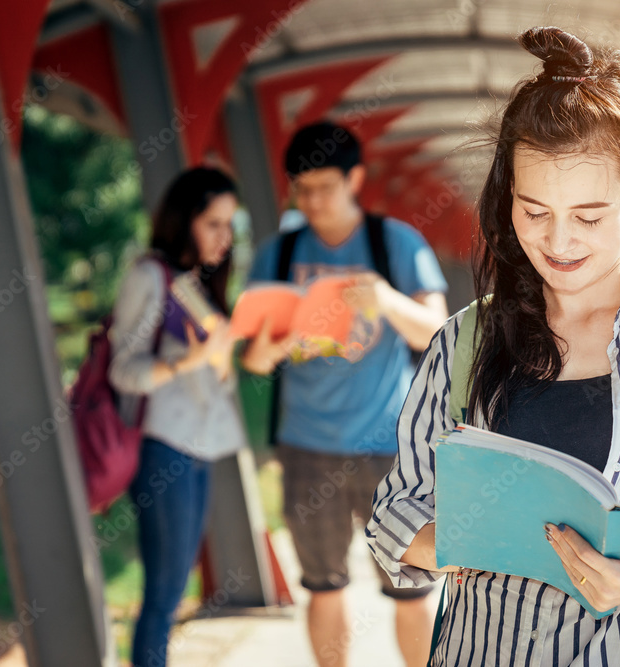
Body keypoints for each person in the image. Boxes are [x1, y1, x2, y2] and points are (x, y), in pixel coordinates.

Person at [366, 27, 620, 666]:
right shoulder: (463, 342)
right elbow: (394, 512)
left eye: (588, 217)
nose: (559, 242)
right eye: (534, 212)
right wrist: (463, 543)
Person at [240, 121, 450, 667]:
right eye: (301, 189)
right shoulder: (279, 253)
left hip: (392, 448)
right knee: (324, 585)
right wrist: (274, 343)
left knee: (413, 588)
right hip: (307, 446)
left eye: (325, 187)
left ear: (355, 178)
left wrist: (383, 297)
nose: (312, 201)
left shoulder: (394, 242)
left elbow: (438, 330)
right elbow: (256, 360)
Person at [108, 167, 245, 667]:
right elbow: (123, 369)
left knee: (174, 582)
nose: (224, 239)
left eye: (230, 226)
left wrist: (221, 357)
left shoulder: (198, 285)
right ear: (184, 220)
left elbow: (219, 379)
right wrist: (188, 360)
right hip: (164, 444)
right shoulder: (150, 277)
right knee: (164, 592)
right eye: (213, 224)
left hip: (202, 445)